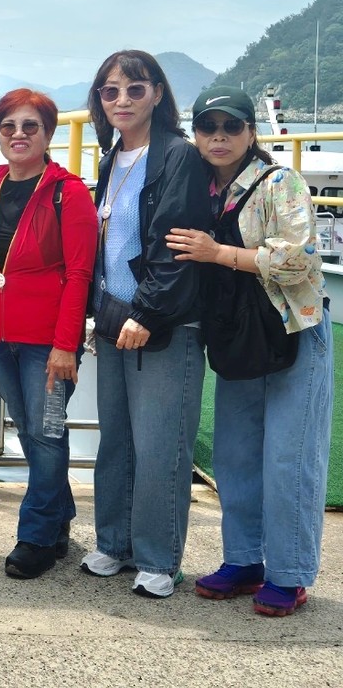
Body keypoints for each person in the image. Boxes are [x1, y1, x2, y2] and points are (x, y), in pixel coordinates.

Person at [165, 87, 333, 617]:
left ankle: (289, 573)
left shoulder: (279, 181)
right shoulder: (198, 188)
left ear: (251, 132)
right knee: (237, 456)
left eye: (231, 127)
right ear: (195, 135)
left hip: (290, 331)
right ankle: (243, 559)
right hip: (236, 334)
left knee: (290, 457)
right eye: (208, 127)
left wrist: (221, 254)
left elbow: (304, 260)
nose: (219, 136)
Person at [79, 50, 210, 599]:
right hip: (114, 320)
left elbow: (174, 246)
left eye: (134, 89)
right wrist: (100, 310)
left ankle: (158, 556)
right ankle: (114, 542)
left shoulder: (177, 156)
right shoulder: (113, 161)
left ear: (157, 93)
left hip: (164, 323)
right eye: (110, 92)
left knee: (161, 444)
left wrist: (148, 313)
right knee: (117, 441)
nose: (122, 101)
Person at [0, 90, 97, 579]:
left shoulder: (69, 193)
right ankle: (59, 518)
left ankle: (36, 537)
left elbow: (80, 274)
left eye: (30, 126)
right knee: (31, 431)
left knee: (45, 435)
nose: (18, 134)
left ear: (48, 133)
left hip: (48, 343)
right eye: (8, 126)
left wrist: (66, 345)